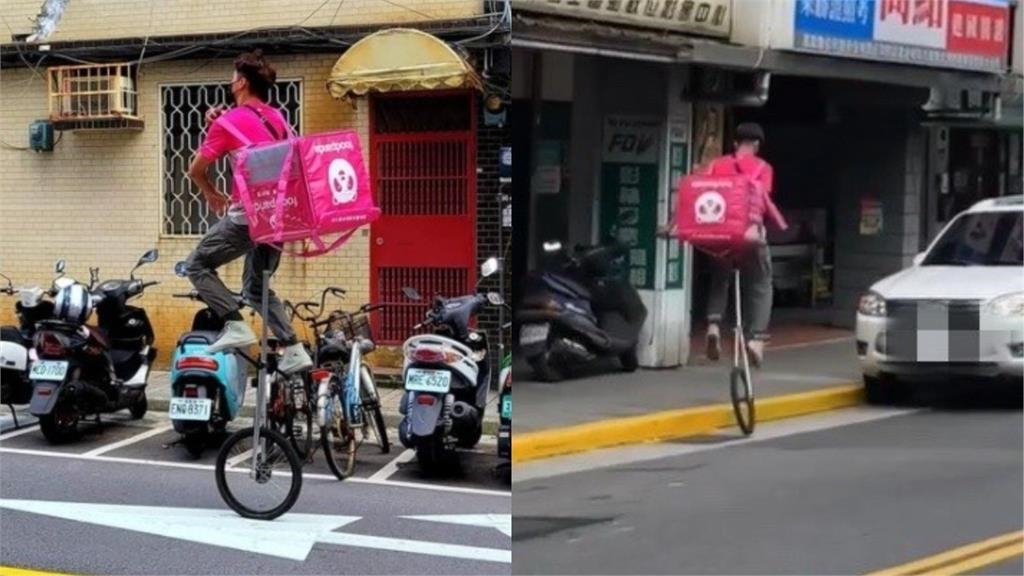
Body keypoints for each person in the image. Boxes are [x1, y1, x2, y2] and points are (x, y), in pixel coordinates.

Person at [184, 49, 312, 374]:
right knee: (257, 288)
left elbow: (195, 169)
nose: (230, 83)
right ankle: (293, 347)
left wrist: (211, 193)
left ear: (241, 83)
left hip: (247, 218)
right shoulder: (279, 118)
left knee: (196, 265)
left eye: (232, 79)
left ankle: (234, 324)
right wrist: (219, 123)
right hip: (279, 217)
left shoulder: (227, 122)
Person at [662, 122, 776, 367]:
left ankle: (713, 325)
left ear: (735, 143)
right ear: (756, 145)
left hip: (719, 236)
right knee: (761, 283)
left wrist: (671, 225)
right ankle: (755, 339)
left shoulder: (716, 165)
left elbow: (691, 195)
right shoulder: (764, 168)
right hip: (748, 236)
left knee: (719, 278)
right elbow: (761, 202)